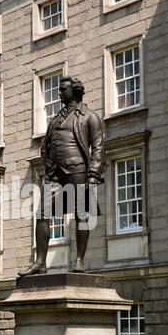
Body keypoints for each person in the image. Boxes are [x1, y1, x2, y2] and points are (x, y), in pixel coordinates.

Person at [18, 76, 106, 276]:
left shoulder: (90, 116)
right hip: (55, 173)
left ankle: (79, 261)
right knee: (42, 214)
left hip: (78, 171)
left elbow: (99, 148)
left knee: (81, 215)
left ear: (74, 91)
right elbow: (46, 146)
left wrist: (93, 175)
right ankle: (40, 262)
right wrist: (48, 164)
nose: (59, 93)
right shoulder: (56, 118)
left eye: (63, 89)